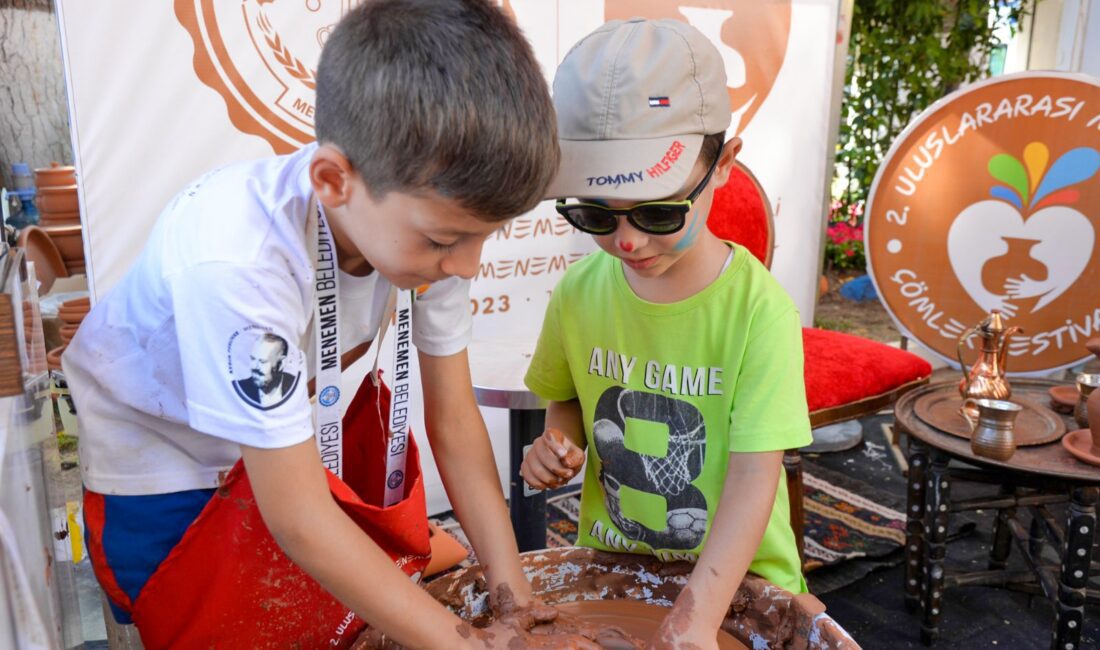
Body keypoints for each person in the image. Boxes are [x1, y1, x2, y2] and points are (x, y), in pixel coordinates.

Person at [63, 1, 591, 647]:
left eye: (485, 238)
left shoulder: (434, 235)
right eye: (447, 240)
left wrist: (513, 599)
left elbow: (453, 420)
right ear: (333, 179)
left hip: (289, 448)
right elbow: (301, 521)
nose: (467, 264)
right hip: (170, 472)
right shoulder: (238, 260)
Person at [520, 18, 813, 649]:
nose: (627, 239)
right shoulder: (577, 293)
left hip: (737, 583)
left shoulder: (758, 314)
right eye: (595, 212)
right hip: (614, 564)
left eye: (657, 210)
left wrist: (698, 616)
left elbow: (754, 474)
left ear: (724, 166)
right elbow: (567, 397)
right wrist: (558, 442)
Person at [232, 332, 299, 409]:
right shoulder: (241, 388)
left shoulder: (294, 387)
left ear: (281, 364)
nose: (254, 367)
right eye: (253, 359)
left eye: (262, 361)